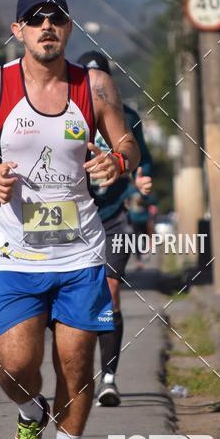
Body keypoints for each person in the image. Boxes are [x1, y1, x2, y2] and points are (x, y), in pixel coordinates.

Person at [0, 0, 140, 439]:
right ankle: (30, 413)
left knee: (76, 365)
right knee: (16, 365)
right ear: (18, 31)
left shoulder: (94, 85)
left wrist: (117, 161)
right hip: (17, 254)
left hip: (81, 252)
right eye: (35, 20)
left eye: (56, 18)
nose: (47, 27)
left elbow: (127, 142)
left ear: (69, 28)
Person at [77, 52, 153, 407]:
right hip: (73, 221)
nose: (95, 87)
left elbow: (143, 158)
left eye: (100, 80)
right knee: (74, 301)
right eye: (87, 80)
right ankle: (77, 373)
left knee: (109, 292)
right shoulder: (67, 119)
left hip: (114, 219)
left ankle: (108, 377)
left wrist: (143, 176)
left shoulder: (129, 119)